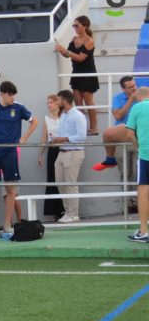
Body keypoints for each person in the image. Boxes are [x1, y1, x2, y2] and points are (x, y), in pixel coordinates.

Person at [0, 81, 38, 237]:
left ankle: (7, 224)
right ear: (2, 94)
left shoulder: (19, 107)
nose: (12, 98)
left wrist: (24, 137)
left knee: (11, 190)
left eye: (13, 95)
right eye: (10, 95)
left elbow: (34, 121)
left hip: (10, 152)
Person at [55, 15, 99, 135]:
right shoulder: (74, 39)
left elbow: (80, 58)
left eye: (77, 25)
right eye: (74, 25)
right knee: (78, 101)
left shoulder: (89, 41)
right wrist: (62, 50)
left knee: (88, 101)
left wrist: (67, 51)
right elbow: (68, 55)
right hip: (76, 73)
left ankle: (94, 128)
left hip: (87, 73)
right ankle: (82, 127)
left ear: (85, 26)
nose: (74, 27)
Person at [49, 90, 87, 223]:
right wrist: (56, 139)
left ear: (64, 100)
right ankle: (68, 212)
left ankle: (74, 214)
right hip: (62, 152)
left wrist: (63, 139)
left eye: (58, 100)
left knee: (70, 184)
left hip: (74, 152)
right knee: (60, 183)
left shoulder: (78, 115)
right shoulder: (64, 115)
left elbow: (82, 136)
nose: (57, 102)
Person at [93, 76, 139, 171]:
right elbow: (118, 116)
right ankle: (110, 160)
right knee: (124, 172)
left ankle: (110, 160)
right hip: (123, 136)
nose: (134, 88)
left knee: (137, 173)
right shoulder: (118, 98)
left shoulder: (143, 96)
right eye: (130, 87)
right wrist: (131, 100)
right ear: (123, 89)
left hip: (139, 135)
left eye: (134, 85)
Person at [125, 87, 149, 242]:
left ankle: (143, 231)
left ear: (138, 96)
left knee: (143, 192)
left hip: (146, 154)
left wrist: (138, 144)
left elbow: (128, 134)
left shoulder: (137, 107)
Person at [37, 94, 66, 220]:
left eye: (51, 102)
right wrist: (40, 154)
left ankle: (67, 210)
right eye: (47, 102)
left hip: (64, 149)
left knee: (64, 179)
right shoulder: (46, 119)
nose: (49, 105)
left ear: (57, 103)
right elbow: (44, 137)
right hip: (52, 150)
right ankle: (56, 211)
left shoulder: (64, 116)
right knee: (52, 179)